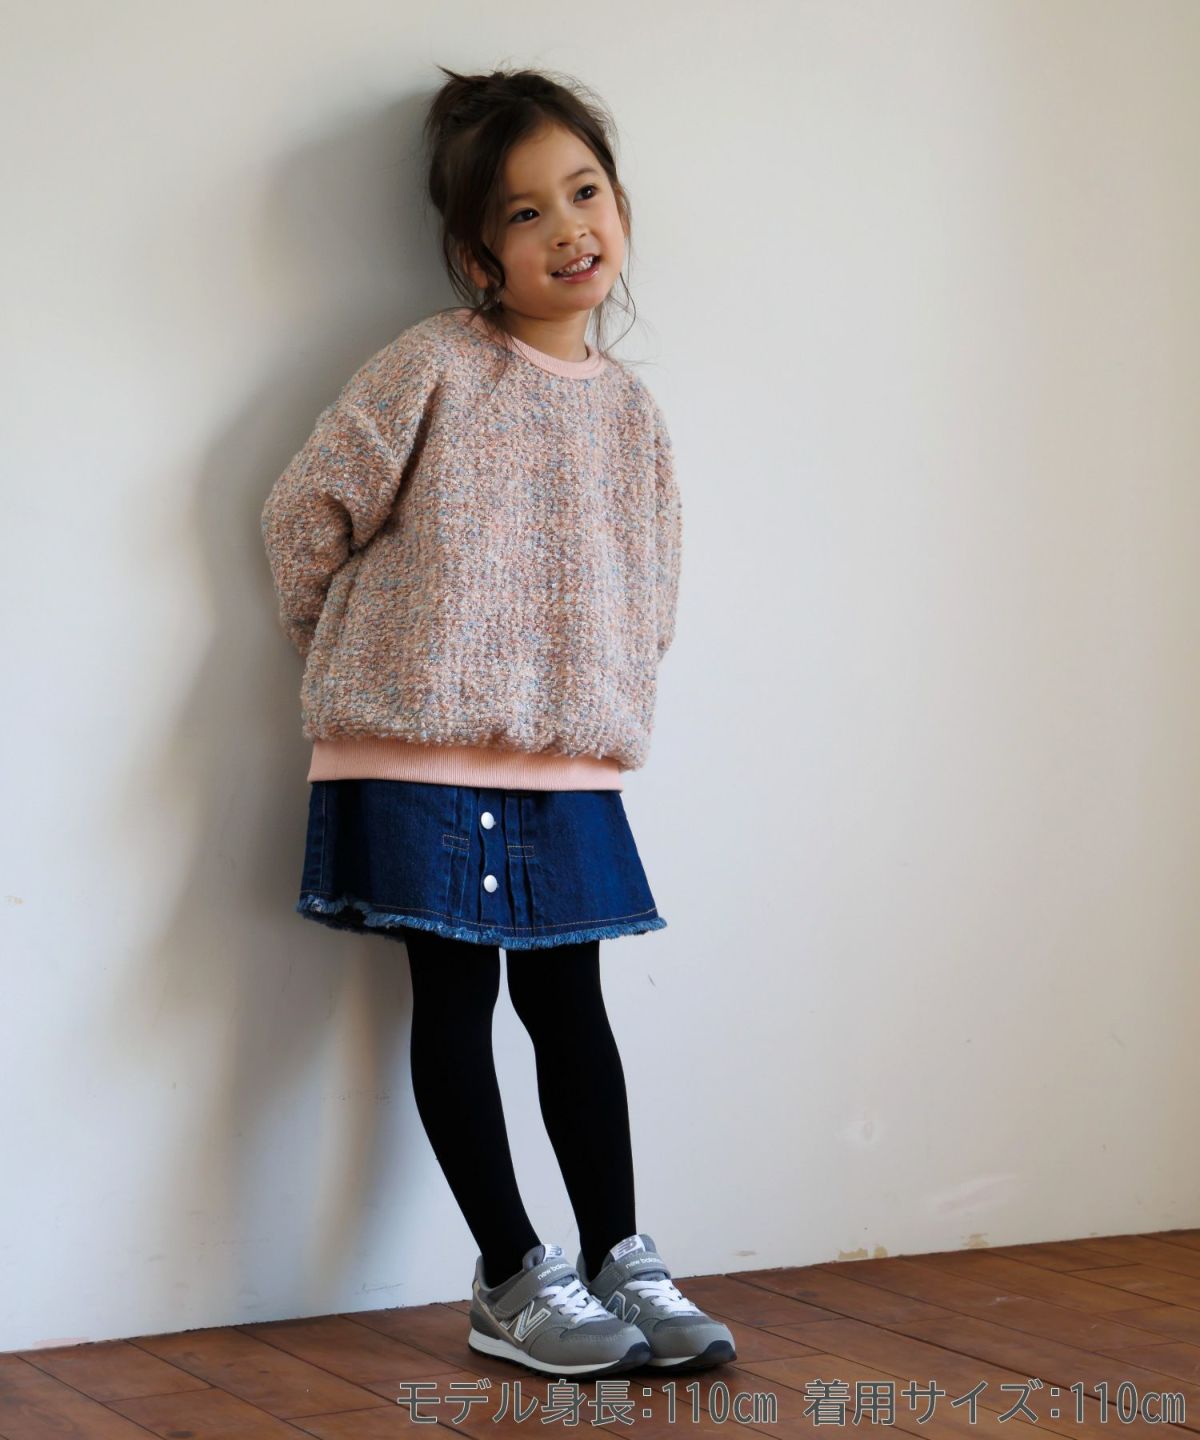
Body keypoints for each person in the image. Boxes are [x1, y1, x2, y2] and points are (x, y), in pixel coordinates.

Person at [260, 65, 734, 1380]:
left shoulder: (631, 412)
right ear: (480, 255)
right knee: (457, 999)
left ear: (619, 204)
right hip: (412, 750)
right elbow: (305, 512)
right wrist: (364, 659)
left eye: (584, 192)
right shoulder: (433, 364)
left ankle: (620, 1257)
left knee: (574, 1006)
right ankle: (513, 1274)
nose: (569, 228)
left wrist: (607, 696)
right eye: (527, 213)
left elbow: (651, 586)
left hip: (566, 762)